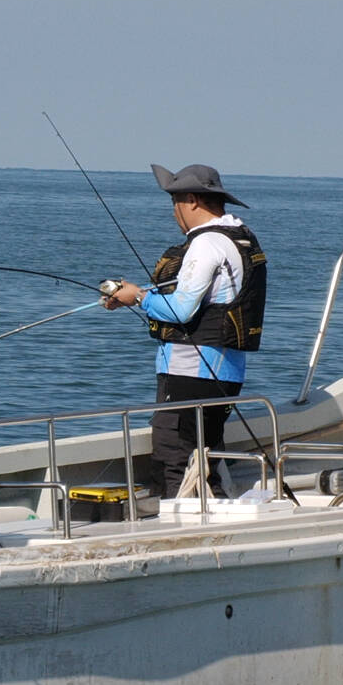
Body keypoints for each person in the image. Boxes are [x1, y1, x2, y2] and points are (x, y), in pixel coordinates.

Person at [101, 164, 267, 498]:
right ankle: (213, 515)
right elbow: (205, 295)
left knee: (173, 456)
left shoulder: (206, 245)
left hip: (190, 371)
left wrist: (140, 297)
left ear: (191, 200)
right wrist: (133, 297)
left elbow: (180, 309)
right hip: (226, 371)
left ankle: (185, 526)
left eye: (174, 201)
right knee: (204, 456)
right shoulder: (239, 237)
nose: (173, 211)